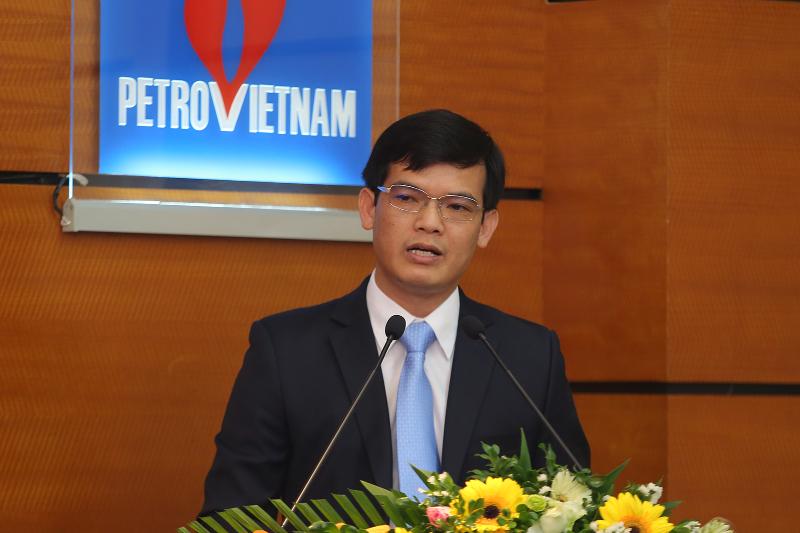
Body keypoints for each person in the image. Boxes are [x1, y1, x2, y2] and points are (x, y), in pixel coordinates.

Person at [200, 109, 589, 517]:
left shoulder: (529, 359)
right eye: (407, 198)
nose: (430, 223)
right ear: (369, 208)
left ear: (486, 226)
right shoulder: (287, 352)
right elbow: (231, 517)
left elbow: (573, 507)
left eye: (457, 206)